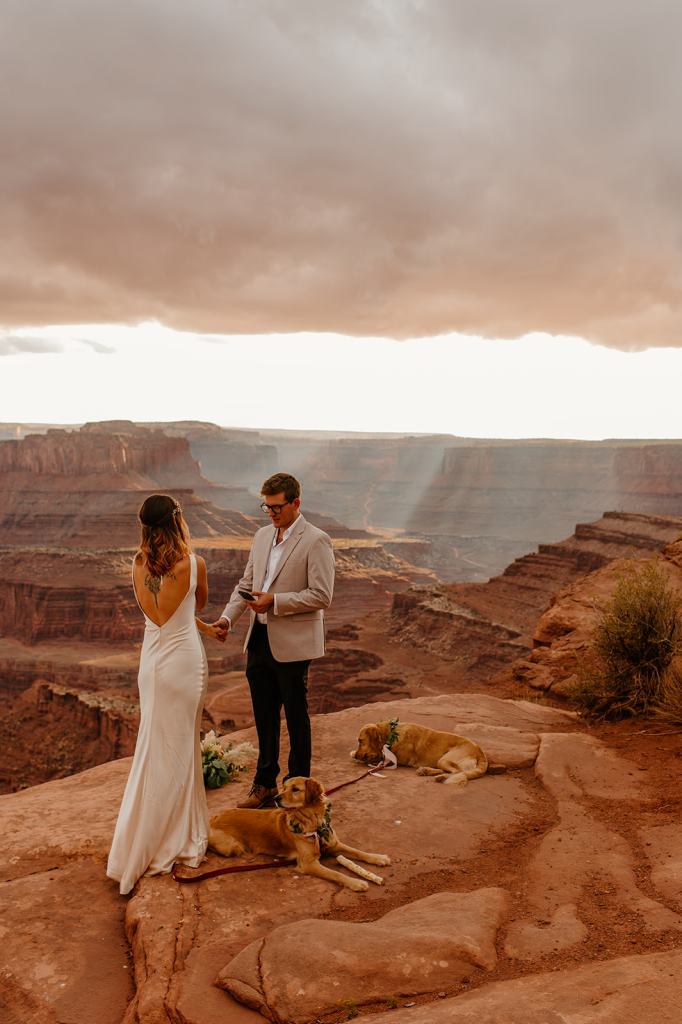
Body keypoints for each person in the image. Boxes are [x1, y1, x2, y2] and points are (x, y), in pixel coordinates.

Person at [107, 493, 222, 895]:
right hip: (184, 665)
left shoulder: (136, 565)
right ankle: (173, 838)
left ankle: (134, 843)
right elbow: (195, 604)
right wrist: (209, 628)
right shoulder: (194, 564)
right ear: (177, 521)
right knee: (180, 747)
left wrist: (204, 628)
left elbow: (158, 615)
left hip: (152, 666)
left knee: (153, 747)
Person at [214, 473, 335, 808]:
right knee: (264, 715)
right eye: (266, 507)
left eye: (277, 507)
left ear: (296, 502)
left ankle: (297, 787)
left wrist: (276, 602)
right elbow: (248, 582)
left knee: (296, 716)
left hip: (293, 642)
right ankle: (264, 782)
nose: (270, 513)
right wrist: (227, 619)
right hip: (259, 637)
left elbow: (322, 595)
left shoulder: (316, 540)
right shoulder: (262, 535)